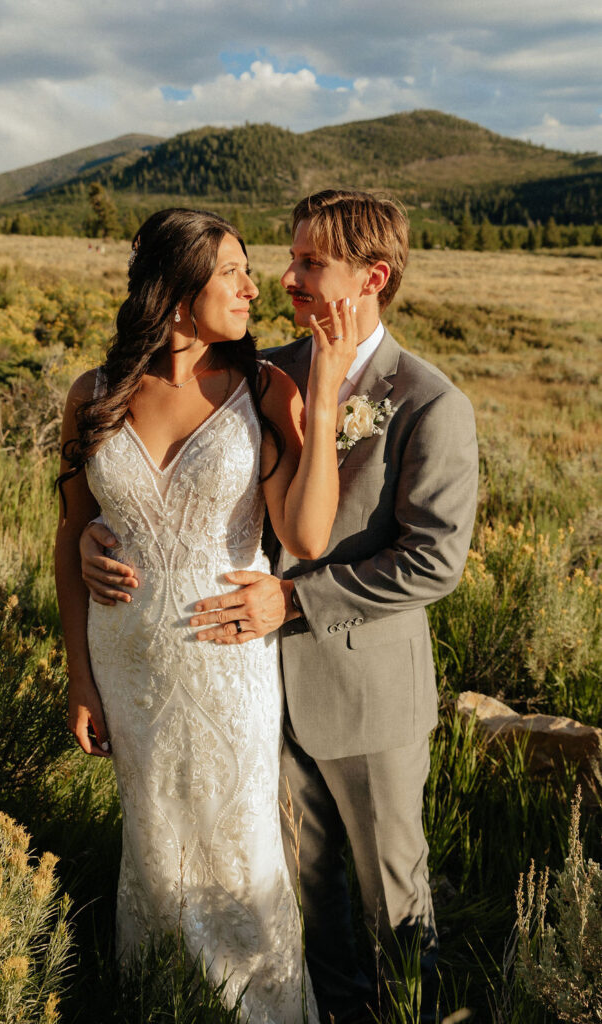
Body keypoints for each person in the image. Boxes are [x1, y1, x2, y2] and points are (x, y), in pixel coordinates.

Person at [82, 191, 479, 1023]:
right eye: (286, 259)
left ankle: (415, 1014)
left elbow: (433, 561)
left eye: (308, 264)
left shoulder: (430, 401)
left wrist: (295, 600)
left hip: (362, 691)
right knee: (299, 896)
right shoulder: (270, 371)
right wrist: (100, 539)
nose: (285, 278)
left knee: (394, 899)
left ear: (371, 277)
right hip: (247, 680)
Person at [55, 207, 359, 1023]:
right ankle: (160, 1003)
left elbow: (304, 533)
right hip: (128, 668)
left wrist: (324, 398)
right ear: (178, 287)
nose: (253, 287)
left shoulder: (265, 389)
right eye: (232, 272)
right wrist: (80, 678)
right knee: (153, 850)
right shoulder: (92, 395)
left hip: (228, 665)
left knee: (240, 848)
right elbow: (69, 531)